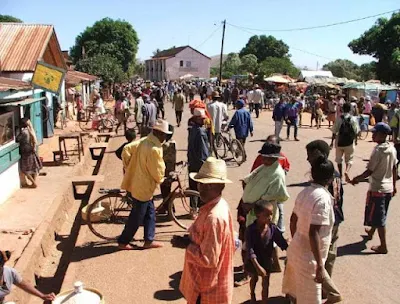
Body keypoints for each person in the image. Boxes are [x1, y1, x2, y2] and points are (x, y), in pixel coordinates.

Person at [178, 157, 235, 304]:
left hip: (206, 291)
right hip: (208, 286)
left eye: (207, 185)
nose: (201, 188)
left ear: (219, 186)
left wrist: (187, 245)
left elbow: (208, 260)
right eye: (201, 184)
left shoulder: (213, 218)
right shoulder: (218, 205)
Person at [283, 156, 336, 304]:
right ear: (331, 179)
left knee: (297, 294)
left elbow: (293, 220)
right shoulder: (323, 199)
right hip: (310, 259)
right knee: (310, 298)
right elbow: (314, 233)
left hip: (297, 250)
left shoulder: (304, 193)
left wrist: (296, 240)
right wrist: (319, 265)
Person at [118, 119, 172, 250]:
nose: (165, 137)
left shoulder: (144, 141)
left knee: (150, 213)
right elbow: (157, 169)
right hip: (144, 186)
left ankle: (149, 239)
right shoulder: (154, 148)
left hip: (140, 183)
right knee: (136, 217)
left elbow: (126, 149)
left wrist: (128, 166)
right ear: (158, 133)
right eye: (164, 134)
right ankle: (123, 241)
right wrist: (162, 179)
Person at [349, 122, 397, 254]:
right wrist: (394, 186)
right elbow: (394, 168)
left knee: (379, 218)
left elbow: (369, 171)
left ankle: (383, 246)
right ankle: (371, 232)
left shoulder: (377, 151)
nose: (373, 135)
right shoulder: (392, 148)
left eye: (375, 133)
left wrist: (356, 179)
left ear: (382, 135)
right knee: (379, 213)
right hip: (387, 189)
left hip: (378, 189)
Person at [306, 140, 343, 303]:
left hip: (325, 222)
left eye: (310, 155)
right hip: (334, 219)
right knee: (329, 256)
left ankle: (330, 291)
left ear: (319, 155)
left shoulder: (324, 176)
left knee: (319, 256)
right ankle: (323, 290)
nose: (308, 159)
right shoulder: (331, 171)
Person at [246, 201, 288, 304]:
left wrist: (290, 247)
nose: (270, 217)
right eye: (266, 215)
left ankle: (264, 300)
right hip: (254, 261)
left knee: (266, 283)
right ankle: (252, 295)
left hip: (267, 260)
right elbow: (250, 249)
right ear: (258, 215)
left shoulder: (272, 228)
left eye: (271, 214)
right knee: (254, 279)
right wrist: (257, 266)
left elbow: (281, 242)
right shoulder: (250, 230)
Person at [330, 103, 359, 181]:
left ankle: (340, 174)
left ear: (342, 109)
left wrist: (332, 142)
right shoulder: (353, 119)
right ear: (350, 109)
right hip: (349, 142)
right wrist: (356, 141)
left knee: (339, 159)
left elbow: (334, 131)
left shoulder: (339, 118)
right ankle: (347, 171)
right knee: (349, 159)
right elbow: (356, 131)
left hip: (339, 142)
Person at [188, 109, 211, 207]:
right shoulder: (200, 132)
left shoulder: (192, 129)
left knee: (193, 186)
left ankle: (193, 208)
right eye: (202, 119)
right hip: (199, 163)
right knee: (202, 187)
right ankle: (200, 207)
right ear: (197, 119)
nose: (203, 121)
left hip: (192, 161)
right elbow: (203, 151)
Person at [16, 118, 42, 188]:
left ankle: (34, 183)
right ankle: (34, 182)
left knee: (24, 169)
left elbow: (17, 139)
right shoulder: (30, 130)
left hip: (25, 151)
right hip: (31, 150)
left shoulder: (24, 132)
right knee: (33, 167)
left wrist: (17, 131)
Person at [389, 107, 400, 175]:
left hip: (399, 141)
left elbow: (393, 126)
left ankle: (395, 174)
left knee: (396, 159)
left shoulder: (398, 113)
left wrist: (394, 138)